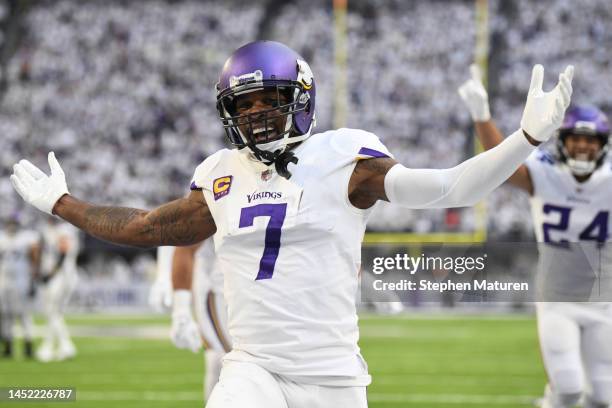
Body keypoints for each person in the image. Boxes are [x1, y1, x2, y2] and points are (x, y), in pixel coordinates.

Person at [11, 41, 572, 407]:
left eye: (269, 100)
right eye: (244, 104)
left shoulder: (347, 159)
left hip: (332, 377)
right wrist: (63, 203)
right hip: (252, 366)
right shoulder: (219, 174)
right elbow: (146, 228)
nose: (256, 113)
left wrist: (525, 140)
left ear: (300, 99)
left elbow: (451, 186)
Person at [458, 65, 612, 408]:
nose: (584, 146)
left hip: (605, 301)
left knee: (604, 397)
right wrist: (482, 117)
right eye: (577, 139)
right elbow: (503, 163)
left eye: (591, 140)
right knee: (568, 389)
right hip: (557, 299)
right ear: (564, 142)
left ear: (602, 144)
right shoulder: (545, 173)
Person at [150, 242, 230, 402]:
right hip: (216, 281)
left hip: (256, 285)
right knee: (220, 360)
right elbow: (184, 241)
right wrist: (181, 310)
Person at [36, 217, 80, 362]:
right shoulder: (64, 230)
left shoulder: (63, 231)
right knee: (55, 313)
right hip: (66, 274)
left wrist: (50, 274)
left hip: (61, 276)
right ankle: (52, 346)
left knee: (51, 311)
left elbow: (62, 254)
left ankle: (65, 345)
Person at [0, 215, 39, 359]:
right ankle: (8, 346)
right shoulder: (2, 238)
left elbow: (35, 256)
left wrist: (33, 279)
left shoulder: (26, 238)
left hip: (21, 281)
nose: (11, 226)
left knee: (24, 315)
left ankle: (28, 346)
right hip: (4, 282)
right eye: (9, 223)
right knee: (5, 315)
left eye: (14, 223)